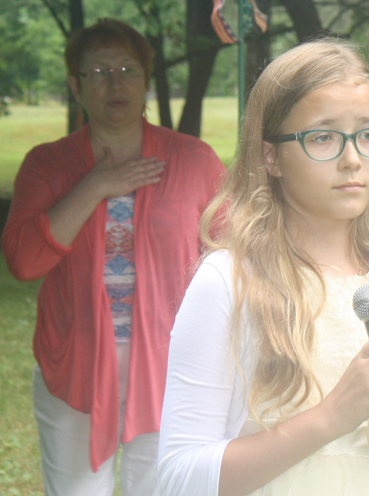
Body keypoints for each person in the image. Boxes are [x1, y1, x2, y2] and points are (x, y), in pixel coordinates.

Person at [157, 39, 369, 496]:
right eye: (323, 137)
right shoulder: (229, 282)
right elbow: (177, 478)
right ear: (271, 156)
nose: (352, 159)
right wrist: (331, 417)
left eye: (368, 134)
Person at [1, 18, 225, 496]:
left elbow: (232, 259)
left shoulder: (194, 160)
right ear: (75, 86)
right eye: (98, 72)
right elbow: (24, 262)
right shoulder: (48, 164)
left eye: (126, 68)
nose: (115, 82)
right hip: (75, 365)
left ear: (146, 79)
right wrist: (95, 186)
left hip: (172, 366)